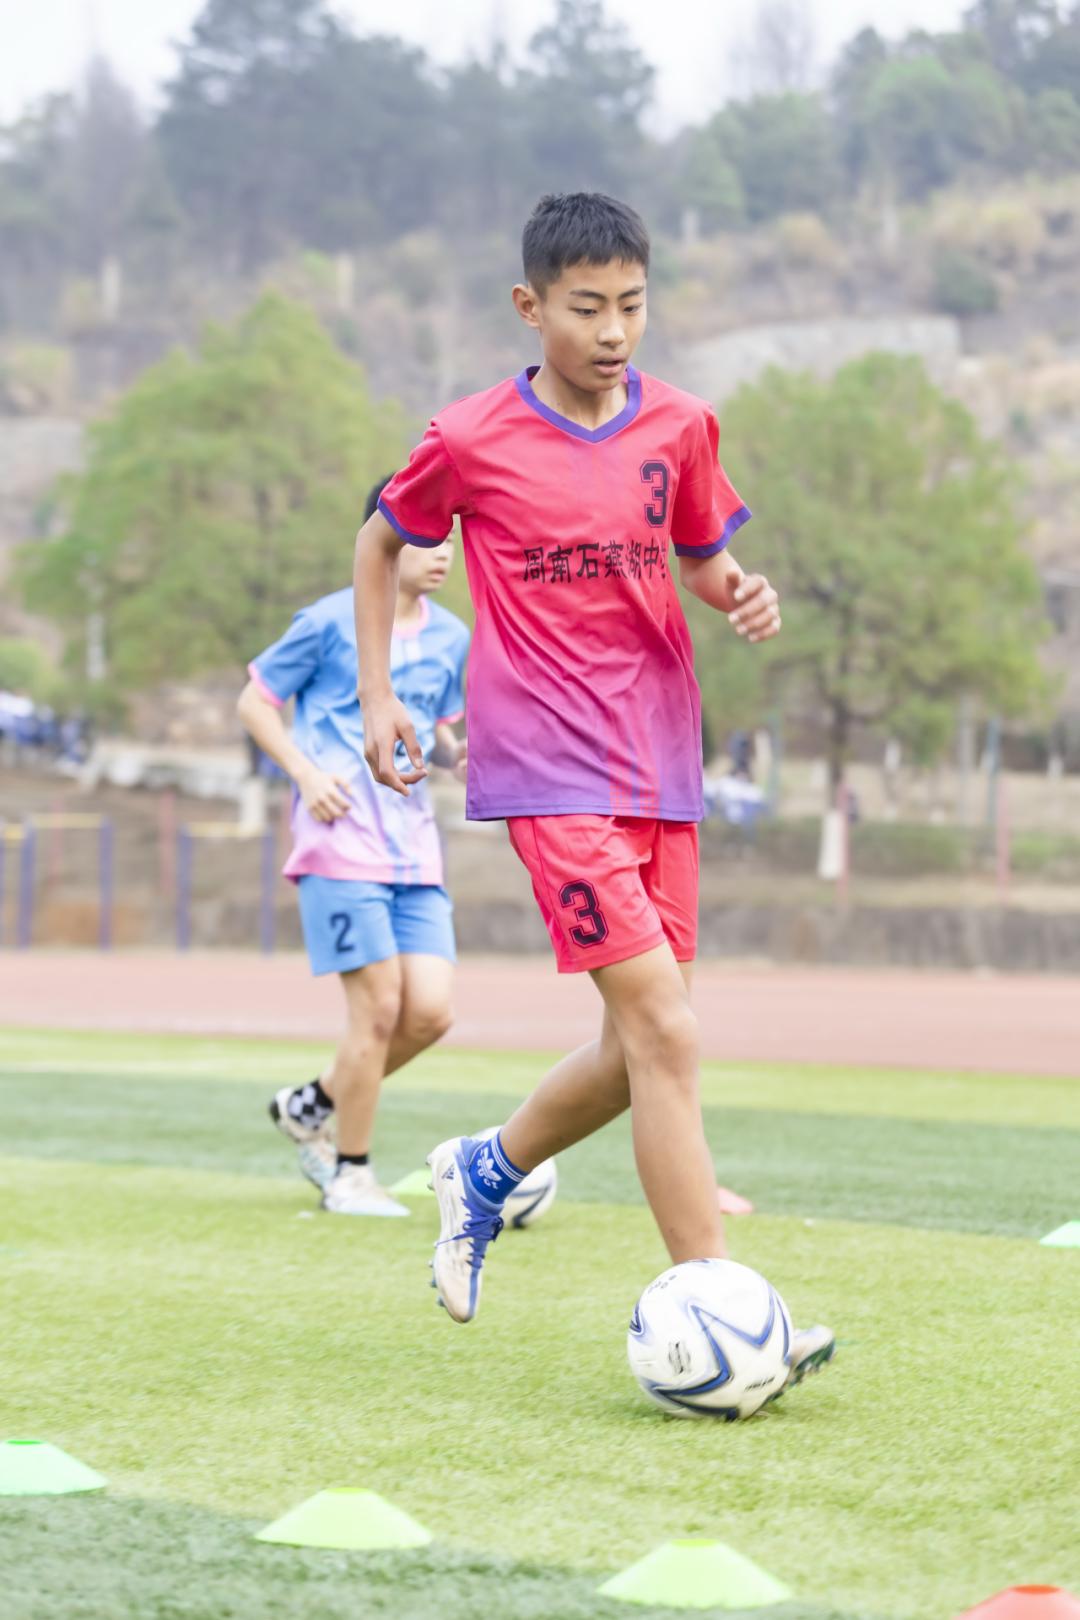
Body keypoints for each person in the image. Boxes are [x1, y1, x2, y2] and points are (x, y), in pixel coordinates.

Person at [354, 193, 833, 1389]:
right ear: (530, 306)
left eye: (632, 303)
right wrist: (378, 699)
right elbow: (378, 542)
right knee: (668, 1028)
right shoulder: (469, 437)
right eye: (587, 307)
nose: (615, 329)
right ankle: (724, 1312)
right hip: (546, 766)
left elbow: (705, 557)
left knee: (635, 1048)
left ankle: (485, 1168)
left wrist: (744, 594)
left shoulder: (681, 423)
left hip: (662, 763)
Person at [238, 478, 469, 1216]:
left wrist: (468, 753)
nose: (443, 553)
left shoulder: (452, 637)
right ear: (386, 533)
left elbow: (445, 731)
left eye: (451, 540)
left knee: (430, 1014)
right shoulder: (329, 622)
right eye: (428, 537)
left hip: (415, 853)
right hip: (340, 845)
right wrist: (304, 774)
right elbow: (254, 701)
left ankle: (312, 1104)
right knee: (377, 1011)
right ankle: (351, 1174)